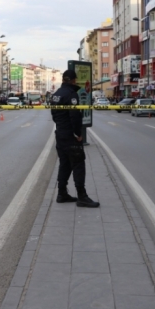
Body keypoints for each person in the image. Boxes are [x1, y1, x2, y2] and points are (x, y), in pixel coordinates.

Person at [50, 69, 100, 208]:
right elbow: (75, 116)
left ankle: (62, 193)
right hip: (70, 136)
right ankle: (82, 196)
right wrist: (78, 134)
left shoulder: (56, 95)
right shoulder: (71, 95)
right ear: (73, 80)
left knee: (64, 164)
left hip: (60, 134)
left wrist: (61, 127)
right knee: (78, 164)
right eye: (75, 80)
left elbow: (54, 115)